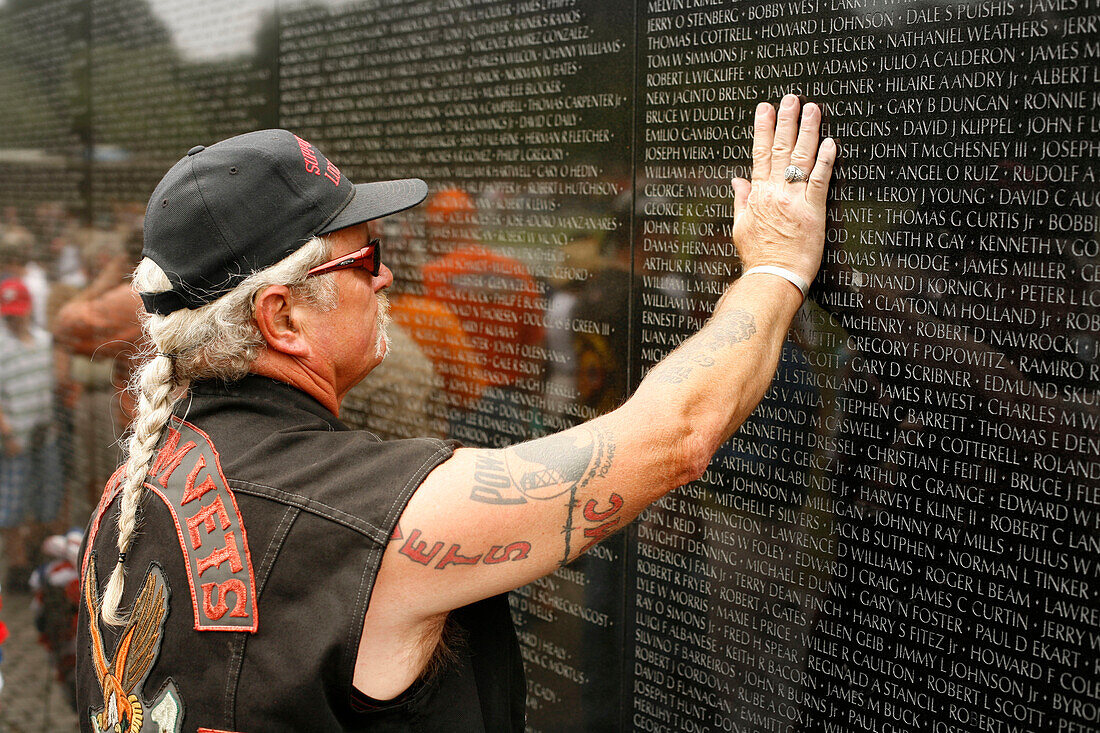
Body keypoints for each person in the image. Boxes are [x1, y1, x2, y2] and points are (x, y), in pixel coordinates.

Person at [76, 96, 835, 731]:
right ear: (282, 318)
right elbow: (674, 437)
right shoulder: (360, 518)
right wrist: (774, 267)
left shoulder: (138, 488)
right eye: (365, 259)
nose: (391, 276)